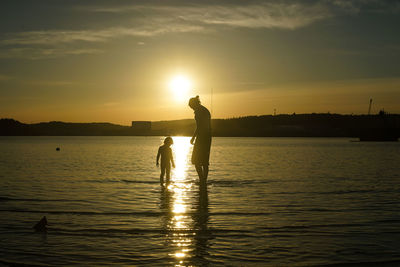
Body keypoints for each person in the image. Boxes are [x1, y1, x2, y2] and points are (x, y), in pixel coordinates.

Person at [188, 96, 212, 185]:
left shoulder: (199, 111)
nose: (192, 108)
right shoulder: (203, 110)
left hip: (203, 137)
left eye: (191, 106)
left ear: (194, 104)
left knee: (197, 160)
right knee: (203, 161)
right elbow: (200, 126)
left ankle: (202, 180)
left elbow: (200, 126)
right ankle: (203, 180)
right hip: (207, 137)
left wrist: (193, 137)